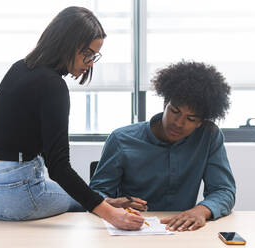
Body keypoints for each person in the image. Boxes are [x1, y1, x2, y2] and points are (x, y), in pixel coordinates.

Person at [0, 6, 144, 230]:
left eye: (94, 56)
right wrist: (110, 214)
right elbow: (59, 167)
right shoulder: (53, 86)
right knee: (78, 203)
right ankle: (102, 203)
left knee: (78, 197)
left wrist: (95, 201)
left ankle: (99, 201)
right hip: (11, 197)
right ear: (67, 44)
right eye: (87, 53)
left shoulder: (19, 67)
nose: (90, 63)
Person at [90, 61, 236, 232]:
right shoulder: (122, 139)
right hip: (130, 231)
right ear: (165, 103)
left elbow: (224, 190)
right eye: (175, 111)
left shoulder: (209, 136)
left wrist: (201, 211)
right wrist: (111, 203)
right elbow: (96, 193)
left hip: (181, 232)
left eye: (191, 119)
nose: (179, 123)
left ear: (200, 122)